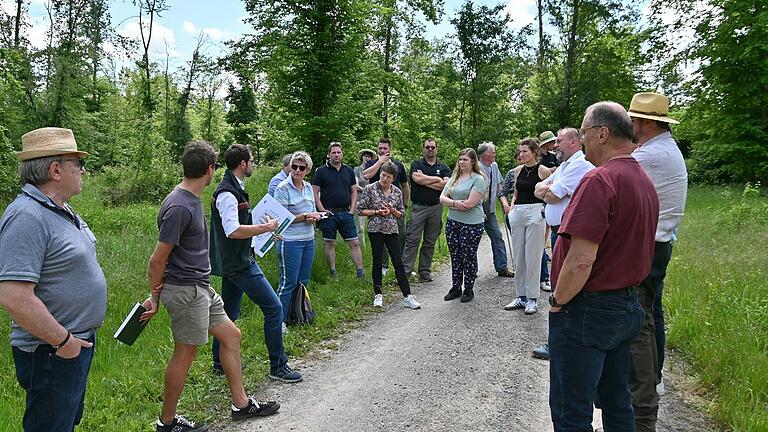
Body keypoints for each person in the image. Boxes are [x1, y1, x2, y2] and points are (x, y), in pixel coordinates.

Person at [142, 141, 279, 432]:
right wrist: (155, 298)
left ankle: (241, 405)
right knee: (185, 353)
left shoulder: (190, 200)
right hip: (186, 290)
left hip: (201, 287)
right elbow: (157, 260)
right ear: (209, 169)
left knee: (231, 335)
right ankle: (167, 422)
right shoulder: (179, 205)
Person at [547, 102, 657, 431]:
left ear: (603, 133)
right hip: (626, 305)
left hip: (588, 310)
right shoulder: (643, 180)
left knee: (571, 410)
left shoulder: (600, 180)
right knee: (616, 399)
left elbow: (581, 260)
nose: (582, 140)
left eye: (584, 132)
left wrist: (557, 301)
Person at [0, 127, 107, 432]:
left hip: (71, 344)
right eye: (78, 164)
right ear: (56, 169)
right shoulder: (26, 216)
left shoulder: (60, 210)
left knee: (65, 422)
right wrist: (64, 342)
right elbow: (14, 296)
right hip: (50, 349)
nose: (83, 170)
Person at [208, 143, 302, 382]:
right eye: (251, 161)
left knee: (226, 313)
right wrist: (266, 227)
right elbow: (232, 230)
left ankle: (219, 364)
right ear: (243, 164)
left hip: (235, 260)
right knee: (274, 308)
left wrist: (265, 233)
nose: (253, 165)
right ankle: (278, 367)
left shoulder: (234, 188)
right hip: (240, 264)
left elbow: (240, 228)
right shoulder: (227, 193)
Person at [628, 92, 688, 432]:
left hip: (648, 246)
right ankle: (652, 384)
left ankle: (641, 406)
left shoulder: (649, 155)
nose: (631, 127)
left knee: (638, 321)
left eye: (634, 121)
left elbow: (611, 174)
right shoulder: (665, 149)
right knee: (650, 314)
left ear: (646, 123)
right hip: (660, 243)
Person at [530, 128, 594, 360]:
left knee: (563, 286)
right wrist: (548, 189)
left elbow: (553, 195)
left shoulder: (580, 165)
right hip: (559, 232)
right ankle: (561, 340)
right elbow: (540, 188)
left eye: (559, 141)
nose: (555, 145)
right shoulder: (566, 166)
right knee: (560, 283)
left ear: (575, 142)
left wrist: (548, 190)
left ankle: (560, 343)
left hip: (568, 234)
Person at [356, 161, 421, 309]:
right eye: (383, 175)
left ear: (393, 178)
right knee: (377, 260)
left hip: (392, 229)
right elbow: (360, 210)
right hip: (375, 229)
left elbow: (401, 214)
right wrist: (376, 212)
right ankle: (378, 294)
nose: (384, 179)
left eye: (388, 177)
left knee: (398, 261)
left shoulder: (397, 192)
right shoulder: (370, 189)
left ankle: (407, 296)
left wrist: (392, 210)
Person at [274, 151, 324, 328]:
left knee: (303, 280)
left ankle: (298, 314)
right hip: (289, 241)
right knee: (288, 282)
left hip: (308, 238)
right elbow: (280, 218)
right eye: (294, 166)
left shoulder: (309, 187)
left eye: (301, 167)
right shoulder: (282, 188)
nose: (297, 170)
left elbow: (310, 211)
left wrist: (313, 217)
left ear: (307, 170)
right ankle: (280, 322)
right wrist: (304, 216)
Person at [503, 138, 551, 315]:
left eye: (525, 151)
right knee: (519, 256)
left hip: (536, 212)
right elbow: (515, 193)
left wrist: (546, 216)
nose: (521, 154)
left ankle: (532, 298)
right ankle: (520, 296)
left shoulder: (544, 171)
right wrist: (512, 209)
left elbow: (550, 193)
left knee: (533, 257)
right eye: (520, 151)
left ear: (534, 152)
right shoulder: (517, 171)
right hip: (519, 213)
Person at [439, 148, 487, 303]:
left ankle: (469, 288)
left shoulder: (478, 179)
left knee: (468, 256)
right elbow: (442, 198)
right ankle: (455, 287)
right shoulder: (455, 177)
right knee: (456, 255)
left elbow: (470, 204)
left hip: (471, 224)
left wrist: (451, 204)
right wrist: (454, 203)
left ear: (473, 161)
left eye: (465, 159)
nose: (461, 162)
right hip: (453, 222)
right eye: (460, 159)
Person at [312, 142, 365, 278]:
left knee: (354, 242)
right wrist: (322, 210)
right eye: (333, 152)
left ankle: (360, 273)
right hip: (329, 213)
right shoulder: (321, 171)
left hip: (346, 212)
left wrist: (352, 210)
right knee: (330, 243)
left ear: (342, 154)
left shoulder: (348, 170)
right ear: (329, 154)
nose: (336, 155)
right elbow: (314, 192)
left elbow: (354, 191)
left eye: (338, 152)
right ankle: (333, 273)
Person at [402, 138, 452, 283]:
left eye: (432, 147)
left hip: (436, 208)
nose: (430, 149)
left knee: (430, 241)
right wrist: (437, 180)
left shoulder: (443, 167)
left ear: (437, 149)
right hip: (418, 208)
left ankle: (424, 271)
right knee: (412, 240)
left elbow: (446, 185)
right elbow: (416, 179)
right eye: (427, 147)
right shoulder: (416, 164)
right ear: (423, 148)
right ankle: (405, 272)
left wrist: (425, 179)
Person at [362, 138, 410, 273]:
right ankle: (384, 266)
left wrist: (404, 205)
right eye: (380, 148)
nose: (382, 151)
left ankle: (400, 265)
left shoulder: (398, 165)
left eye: (385, 149)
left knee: (401, 235)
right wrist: (379, 162)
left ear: (390, 150)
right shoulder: (372, 163)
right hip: (377, 209)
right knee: (379, 237)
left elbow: (405, 186)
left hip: (395, 208)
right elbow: (366, 175)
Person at [477, 142, 515, 278]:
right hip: (476, 210)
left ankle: (502, 267)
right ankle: (472, 270)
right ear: (486, 155)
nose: (495, 154)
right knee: (474, 240)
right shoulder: (475, 168)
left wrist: (504, 203)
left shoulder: (494, 166)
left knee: (498, 237)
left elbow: (498, 186)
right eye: (493, 152)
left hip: (491, 210)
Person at [538, 130, 559, 292]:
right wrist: (552, 171)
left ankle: (547, 255)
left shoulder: (552, 156)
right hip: (541, 197)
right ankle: (543, 256)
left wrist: (551, 171)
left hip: (550, 193)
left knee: (549, 228)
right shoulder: (540, 157)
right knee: (542, 233)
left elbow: (557, 171)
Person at [354, 148, 377, 243]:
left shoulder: (376, 169)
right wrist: (367, 191)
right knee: (360, 227)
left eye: (369, 156)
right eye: (365, 155)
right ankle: (362, 248)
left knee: (375, 226)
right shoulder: (357, 169)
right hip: (361, 200)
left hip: (375, 200)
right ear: (362, 157)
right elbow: (355, 185)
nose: (367, 157)